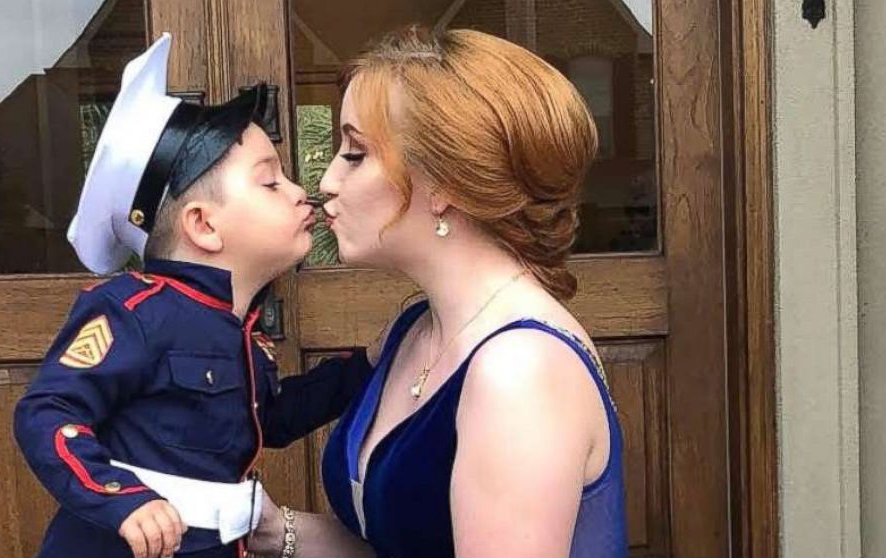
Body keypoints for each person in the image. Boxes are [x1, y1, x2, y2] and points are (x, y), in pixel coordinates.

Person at [250, 26, 628, 558]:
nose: (328, 180)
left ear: (446, 183)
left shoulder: (519, 371)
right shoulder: (415, 330)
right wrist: (270, 528)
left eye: (355, 154)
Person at [14, 34, 374, 558]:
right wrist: (120, 499)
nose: (302, 191)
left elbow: (268, 420)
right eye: (271, 182)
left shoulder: (237, 327)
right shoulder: (134, 311)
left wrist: (365, 365)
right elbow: (46, 410)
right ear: (203, 225)